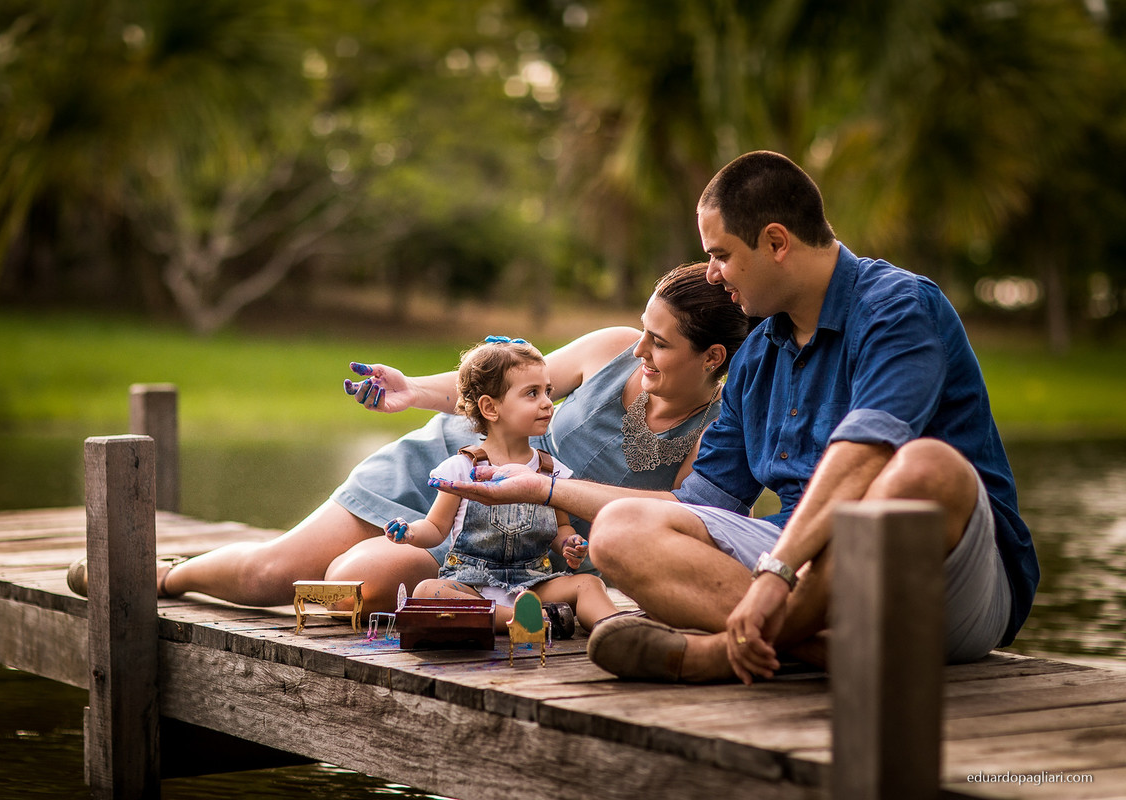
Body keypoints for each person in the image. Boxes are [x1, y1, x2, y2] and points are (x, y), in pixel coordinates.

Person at [431, 150, 1039, 684]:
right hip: (813, 573)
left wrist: (775, 574)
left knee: (925, 468)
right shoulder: (757, 358)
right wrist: (546, 486)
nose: (713, 273)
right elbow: (702, 505)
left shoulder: (899, 308)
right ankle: (818, 649)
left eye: (720, 254)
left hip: (943, 582)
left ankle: (723, 654)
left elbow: (867, 454)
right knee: (620, 528)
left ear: (776, 242)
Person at [66, 263, 750, 616]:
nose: (640, 350)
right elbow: (498, 385)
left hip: (513, 550)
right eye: (642, 329)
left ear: (712, 357)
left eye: (659, 343)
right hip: (444, 470)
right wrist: (409, 391)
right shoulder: (608, 351)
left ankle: (350, 575)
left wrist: (551, 495)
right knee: (272, 576)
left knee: (348, 592)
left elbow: (671, 526)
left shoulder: (714, 436)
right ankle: (166, 575)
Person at [384, 338, 618, 633]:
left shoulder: (551, 471)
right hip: (473, 585)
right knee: (429, 591)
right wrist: (410, 533)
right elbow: (436, 528)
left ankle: (612, 628)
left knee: (589, 583)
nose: (547, 402)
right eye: (532, 393)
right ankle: (520, 620)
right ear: (490, 408)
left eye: (548, 391)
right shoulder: (462, 469)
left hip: (534, 584)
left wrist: (569, 544)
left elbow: (561, 529)